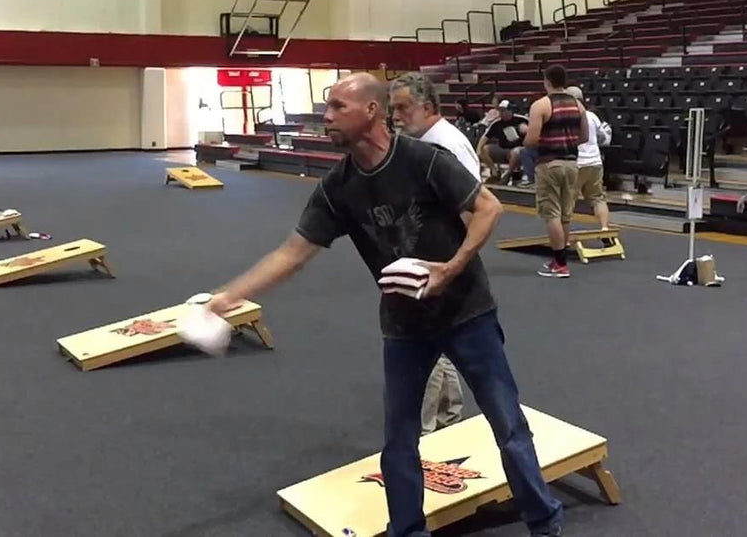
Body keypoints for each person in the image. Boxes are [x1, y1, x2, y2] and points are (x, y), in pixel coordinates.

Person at [207, 73, 564, 537]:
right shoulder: (338, 187)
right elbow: (291, 253)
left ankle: (544, 520)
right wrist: (231, 295)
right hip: (404, 325)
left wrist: (451, 268)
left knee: (507, 424)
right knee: (399, 440)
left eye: (338, 107)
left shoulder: (422, 160)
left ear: (372, 111)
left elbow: (489, 207)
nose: (327, 117)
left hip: (466, 312)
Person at [389, 72, 481, 436]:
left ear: (427, 107)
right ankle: (448, 415)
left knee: (424, 343)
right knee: (439, 340)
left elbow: (475, 209)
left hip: (445, 261)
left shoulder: (446, 145)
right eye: (393, 108)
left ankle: (425, 432)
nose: (396, 116)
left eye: (403, 108)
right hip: (427, 257)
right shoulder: (422, 142)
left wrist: (456, 264)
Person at [525, 66, 588, 278]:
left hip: (549, 163)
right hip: (572, 163)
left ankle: (560, 264)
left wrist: (527, 137)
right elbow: (585, 137)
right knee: (565, 214)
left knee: (551, 213)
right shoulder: (578, 105)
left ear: (547, 81)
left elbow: (531, 140)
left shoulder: (541, 105)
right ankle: (560, 260)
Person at [567, 86, 611, 233]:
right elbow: (603, 137)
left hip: (577, 163)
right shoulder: (592, 115)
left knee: (568, 199)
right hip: (595, 162)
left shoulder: (568, 117)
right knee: (598, 198)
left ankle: (565, 233)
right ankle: (604, 228)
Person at [476, 100, 528, 183]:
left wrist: (526, 130)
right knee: (483, 149)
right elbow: (484, 138)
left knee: (515, 152)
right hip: (502, 148)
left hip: (518, 149)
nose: (501, 113)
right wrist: (478, 150)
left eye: (503, 110)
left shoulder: (521, 120)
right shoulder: (496, 123)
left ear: (510, 110)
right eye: (500, 111)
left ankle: (508, 175)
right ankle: (494, 172)